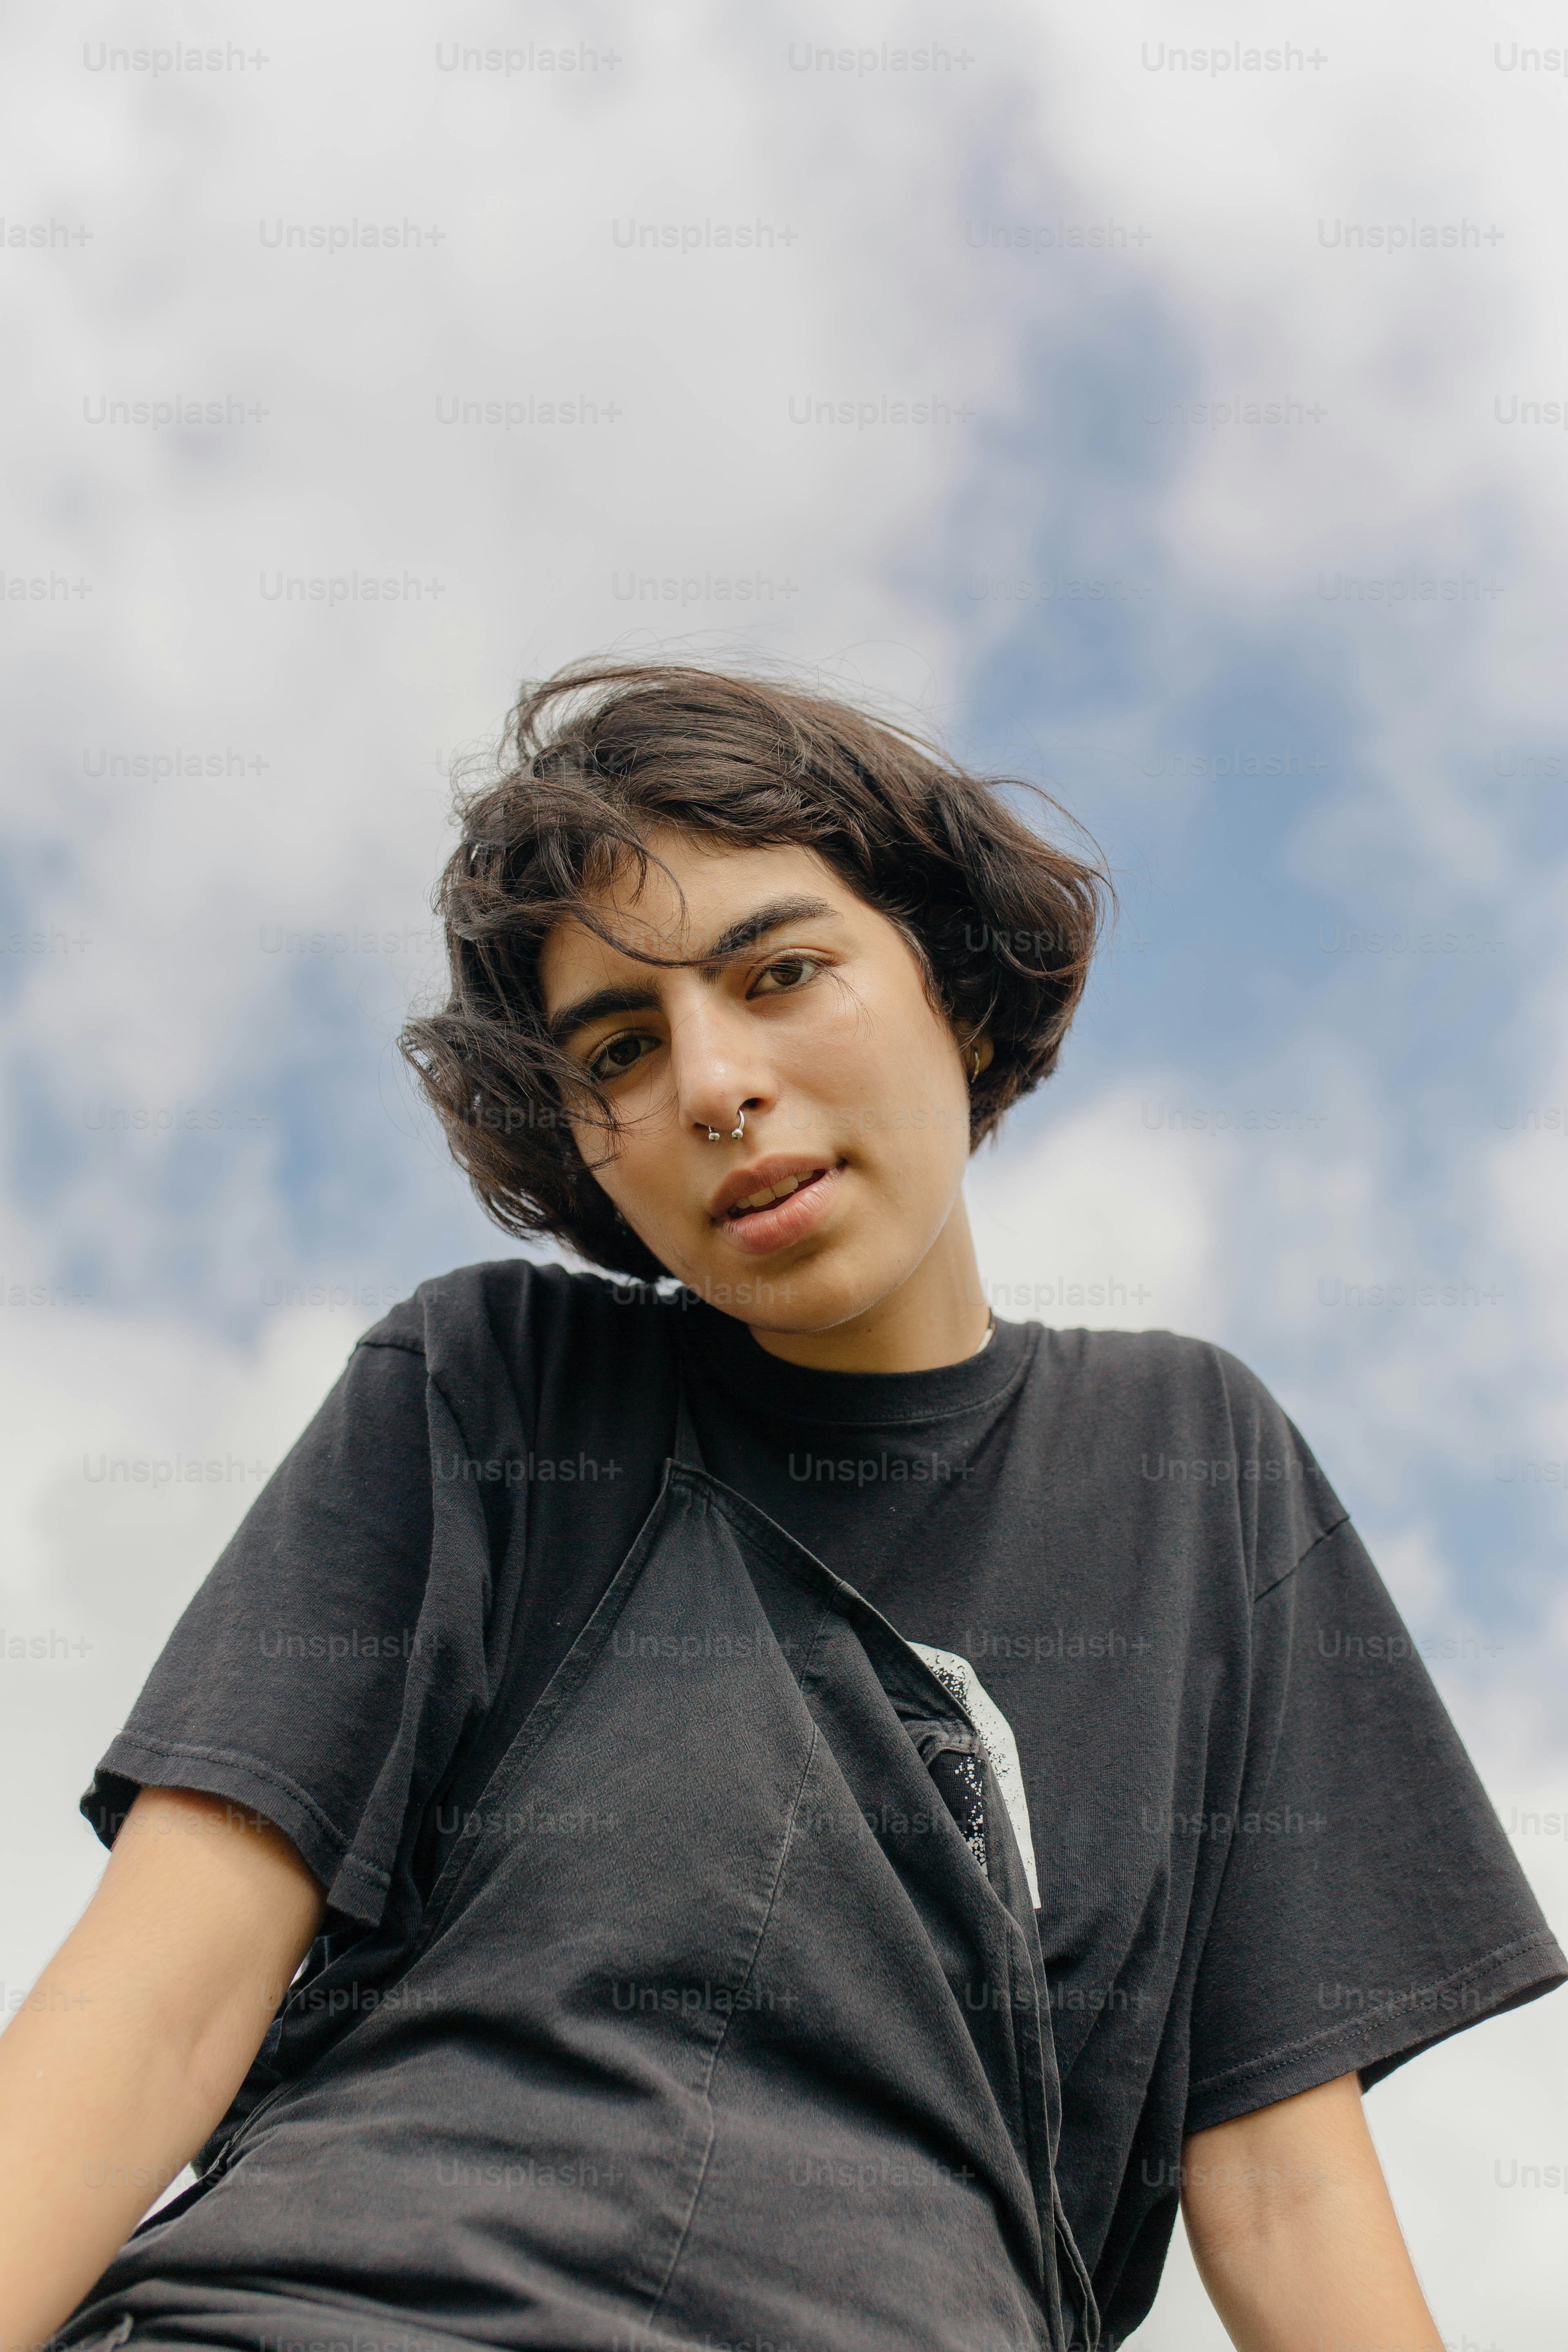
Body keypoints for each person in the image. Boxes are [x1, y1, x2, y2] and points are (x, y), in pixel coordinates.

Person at [2, 659, 1561, 2352]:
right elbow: (155, 2004)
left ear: (958, 993)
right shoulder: (491, 1387)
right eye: (620, 1045)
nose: (712, 1081)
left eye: (783, 970)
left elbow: (1284, 2193)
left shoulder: (1193, 1468)